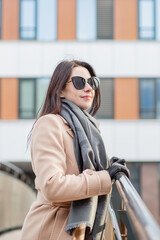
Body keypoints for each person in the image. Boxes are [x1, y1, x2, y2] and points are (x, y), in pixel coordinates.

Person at [21, 60, 130, 240]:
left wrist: (109, 169)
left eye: (92, 82)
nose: (89, 88)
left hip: (79, 229)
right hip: (53, 229)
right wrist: (104, 177)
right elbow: (52, 186)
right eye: (80, 82)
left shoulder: (89, 129)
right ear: (60, 89)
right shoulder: (50, 124)